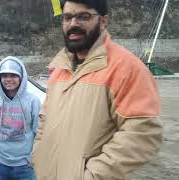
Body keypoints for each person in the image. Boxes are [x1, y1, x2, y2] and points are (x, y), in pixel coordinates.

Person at [32, 0, 163, 180]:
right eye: (67, 17)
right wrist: (39, 157)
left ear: (103, 21)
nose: (73, 24)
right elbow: (44, 120)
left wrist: (93, 176)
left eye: (83, 16)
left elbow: (142, 134)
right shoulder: (59, 69)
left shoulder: (126, 68)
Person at [0, 56, 41, 180]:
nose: (8, 79)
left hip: (25, 166)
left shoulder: (33, 101)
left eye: (13, 75)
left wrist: (32, 158)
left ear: (21, 77)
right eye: (4, 76)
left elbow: (40, 132)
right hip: (1, 165)